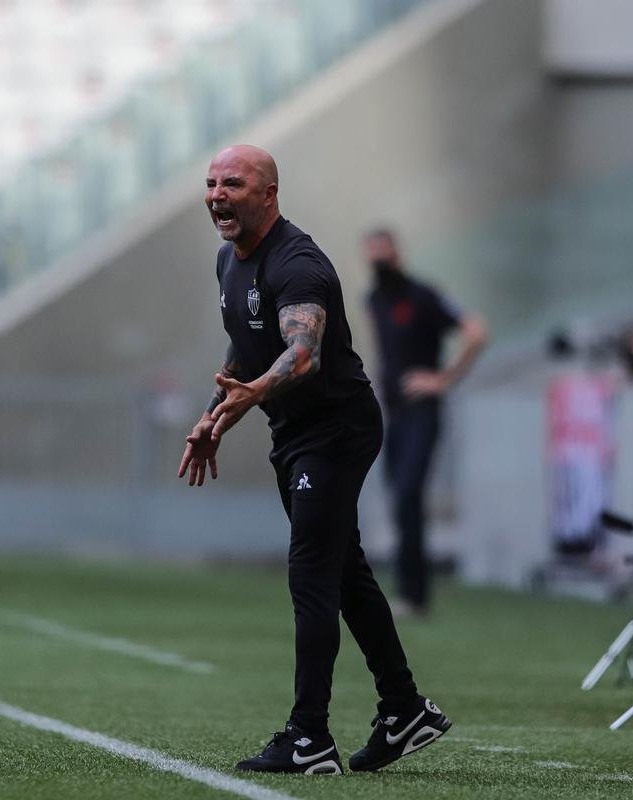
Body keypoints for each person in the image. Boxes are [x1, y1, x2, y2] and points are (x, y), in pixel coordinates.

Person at [178, 145, 450, 774]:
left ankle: (309, 737)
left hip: (336, 431)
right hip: (297, 434)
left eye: (234, 184)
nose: (218, 195)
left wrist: (253, 396)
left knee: (312, 575)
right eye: (212, 184)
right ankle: (404, 708)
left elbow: (302, 353)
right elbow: (246, 347)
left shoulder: (299, 263)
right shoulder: (229, 260)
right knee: (344, 570)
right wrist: (215, 414)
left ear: (269, 194)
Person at [364, 229, 488, 616]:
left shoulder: (423, 295)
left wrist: (443, 378)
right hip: (394, 413)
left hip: (423, 411)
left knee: (408, 493)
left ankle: (414, 594)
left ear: (397, 254)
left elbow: (477, 332)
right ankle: (408, 590)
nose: (377, 263)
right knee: (398, 497)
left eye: (382, 255)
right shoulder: (374, 300)